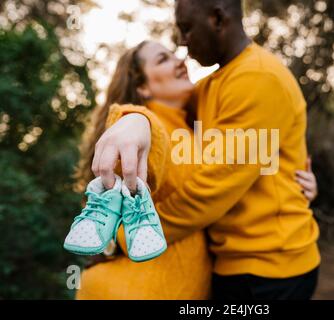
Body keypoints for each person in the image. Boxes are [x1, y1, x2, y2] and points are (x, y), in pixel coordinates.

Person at [89, 0, 321, 300]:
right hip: (226, 263)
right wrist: (133, 119)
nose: (182, 44)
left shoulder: (258, 78)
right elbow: (157, 123)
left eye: (186, 29)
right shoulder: (206, 89)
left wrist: (122, 237)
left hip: (271, 267)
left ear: (217, 19)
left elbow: (210, 190)